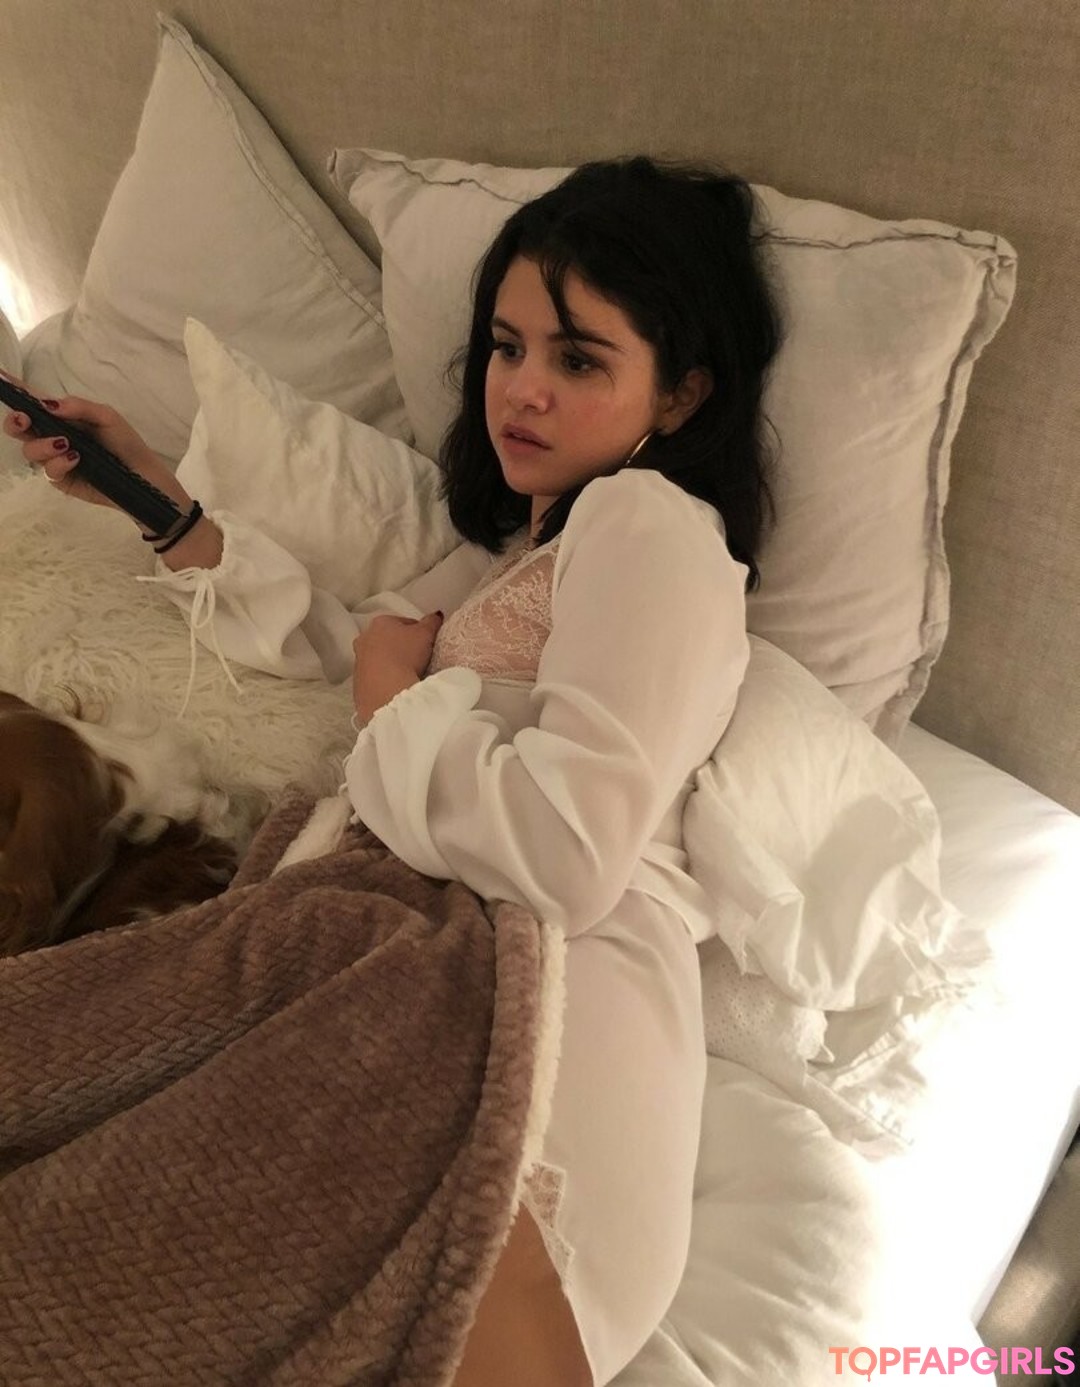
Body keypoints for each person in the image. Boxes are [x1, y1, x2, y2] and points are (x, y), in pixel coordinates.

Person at [4, 155, 782, 1387]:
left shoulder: (654, 530)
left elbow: (569, 853)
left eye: (579, 360)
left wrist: (390, 701)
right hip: (425, 965)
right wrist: (157, 501)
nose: (522, 388)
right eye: (507, 347)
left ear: (682, 394)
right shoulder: (513, 557)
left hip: (551, 1019)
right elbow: (348, 653)